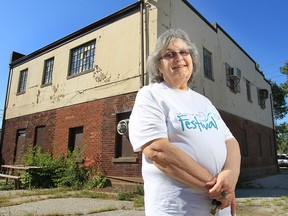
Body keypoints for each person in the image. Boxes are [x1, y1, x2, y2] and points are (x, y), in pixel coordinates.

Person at [128, 28, 241, 216]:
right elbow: (157, 150)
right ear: (158, 66)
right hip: (177, 209)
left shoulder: (204, 102)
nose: (178, 58)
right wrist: (219, 188)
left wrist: (230, 177)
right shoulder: (151, 94)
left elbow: (231, 142)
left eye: (184, 52)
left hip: (221, 207)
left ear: (192, 60)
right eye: (169, 54)